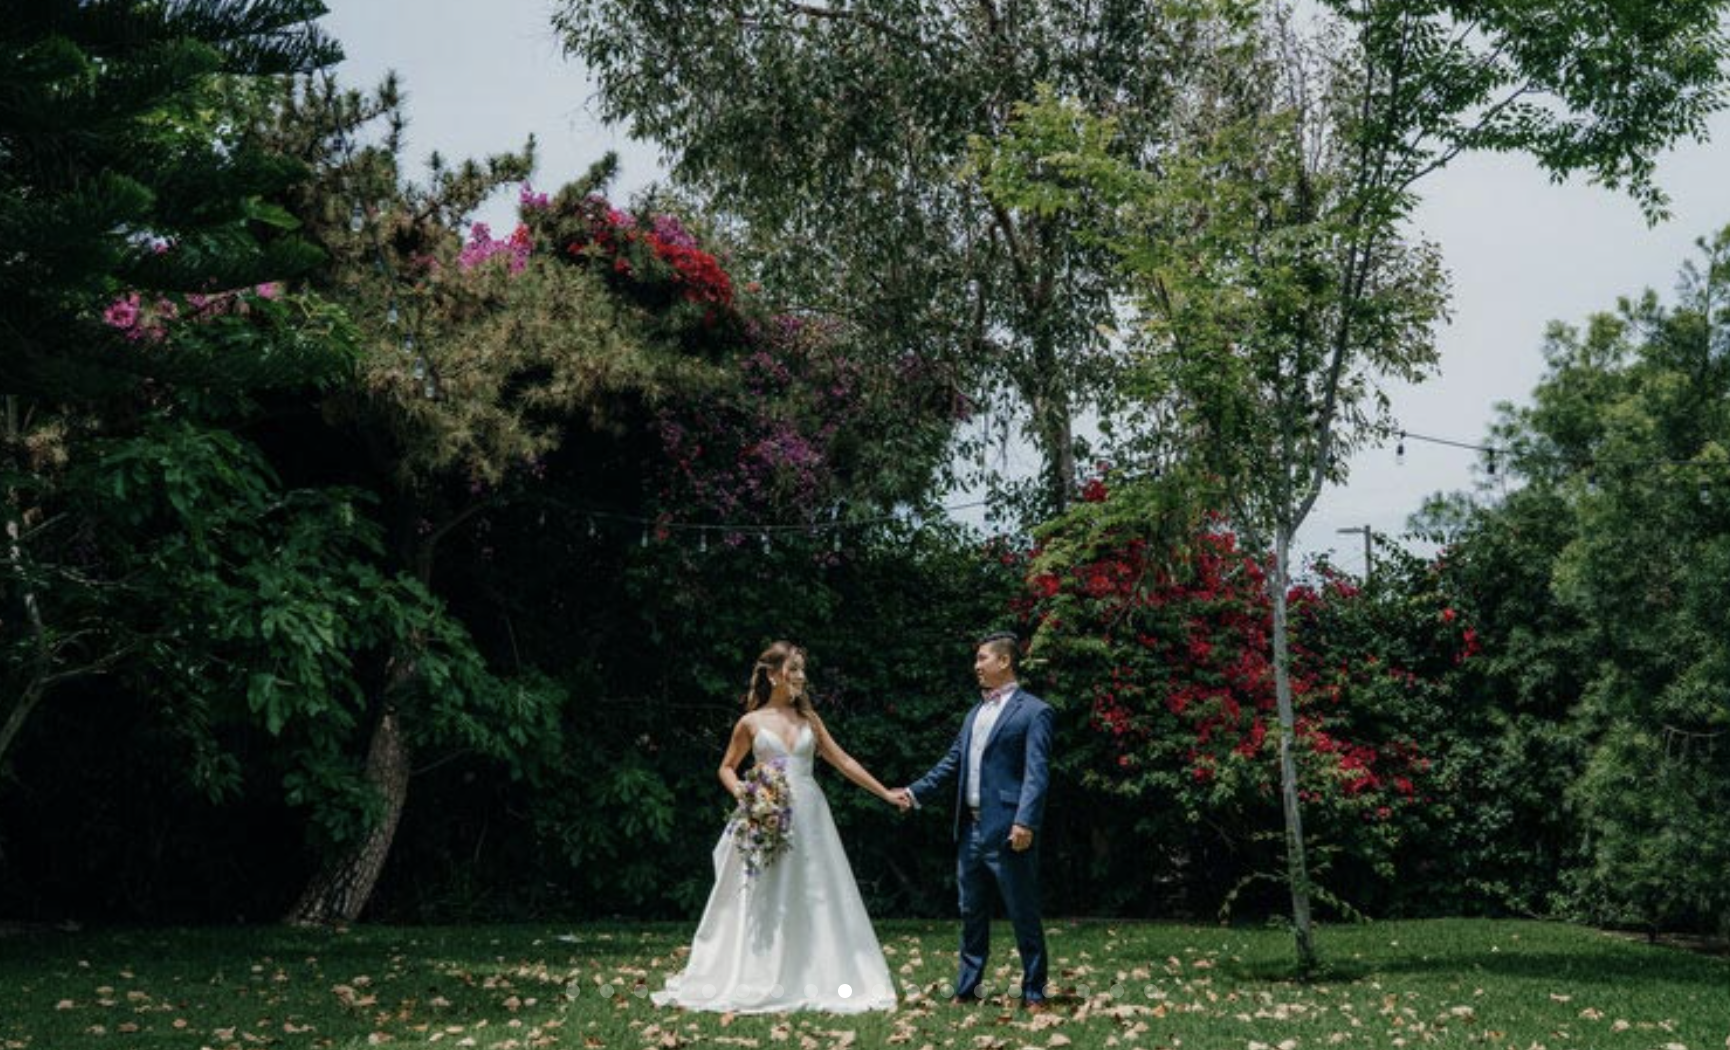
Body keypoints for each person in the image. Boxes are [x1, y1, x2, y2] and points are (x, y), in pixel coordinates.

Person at [652, 641, 905, 1014]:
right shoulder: (750, 723)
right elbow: (726, 767)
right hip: (767, 816)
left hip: (810, 819)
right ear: (772, 675)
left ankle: (818, 972)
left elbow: (843, 760)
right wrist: (746, 793)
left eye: (803, 669)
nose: (801, 676)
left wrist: (885, 792)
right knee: (766, 894)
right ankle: (760, 972)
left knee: (817, 891)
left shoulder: (810, 720)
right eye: (794, 669)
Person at [896, 632, 1052, 1013]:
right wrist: (913, 793)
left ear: (1004, 661)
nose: (976, 665)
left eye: (983, 658)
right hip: (971, 829)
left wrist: (1025, 822)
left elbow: (1036, 773)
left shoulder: (1035, 712)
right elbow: (952, 762)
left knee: (1023, 912)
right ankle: (967, 989)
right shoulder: (974, 714)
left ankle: (1034, 992)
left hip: (1010, 830)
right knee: (971, 912)